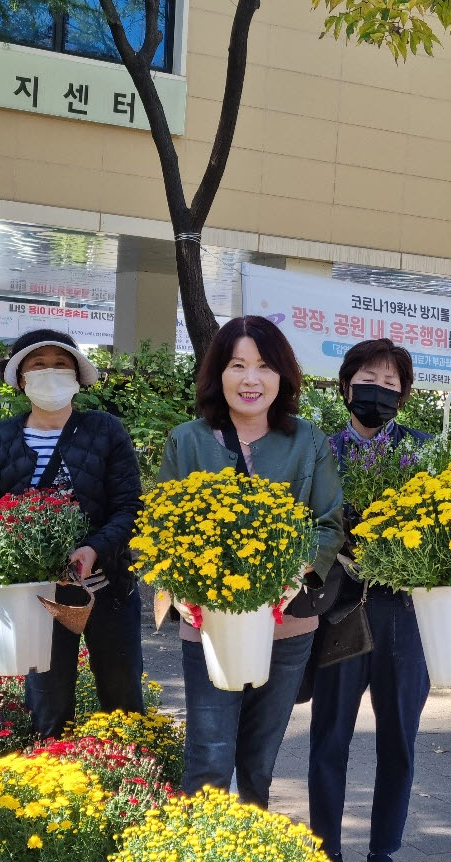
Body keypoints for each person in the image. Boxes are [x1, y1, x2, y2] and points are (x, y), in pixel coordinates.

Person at [158, 316, 343, 810]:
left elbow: (328, 524)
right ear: (219, 373)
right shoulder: (188, 440)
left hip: (288, 628)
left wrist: (289, 570)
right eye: (237, 365)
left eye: (264, 366)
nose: (251, 379)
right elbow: (160, 529)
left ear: (282, 376)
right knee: (209, 754)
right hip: (209, 626)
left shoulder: (309, 442)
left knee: (258, 761)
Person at [0, 329, 144, 739]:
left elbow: (130, 507)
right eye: (38, 365)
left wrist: (95, 548)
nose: (50, 373)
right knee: (46, 706)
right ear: (20, 379)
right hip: (37, 595)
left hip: (108, 586)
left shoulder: (105, 430)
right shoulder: (0, 437)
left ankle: (136, 784)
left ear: (78, 376)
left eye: (60, 364)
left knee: (123, 700)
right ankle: (54, 782)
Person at [308, 338, 431, 862]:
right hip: (339, 610)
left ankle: (384, 852)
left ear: (403, 395)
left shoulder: (424, 454)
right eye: (367, 379)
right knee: (330, 734)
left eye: (389, 383)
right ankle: (325, 850)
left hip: (406, 613)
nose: (376, 391)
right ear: (345, 385)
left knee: (399, 737)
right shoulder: (319, 451)